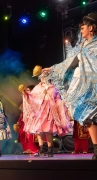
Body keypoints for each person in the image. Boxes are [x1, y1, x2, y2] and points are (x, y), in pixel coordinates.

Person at [41, 12, 97, 159]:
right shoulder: (81, 46)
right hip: (86, 87)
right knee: (88, 117)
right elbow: (69, 62)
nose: (81, 29)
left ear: (91, 28)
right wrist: (52, 69)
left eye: (83, 27)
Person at [19, 66, 72, 157]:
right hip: (40, 111)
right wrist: (25, 93)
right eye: (42, 77)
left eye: (45, 76)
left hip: (50, 111)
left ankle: (50, 149)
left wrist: (58, 104)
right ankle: (41, 149)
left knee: (48, 130)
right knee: (39, 130)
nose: (43, 78)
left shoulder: (53, 87)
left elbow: (58, 99)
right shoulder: (37, 88)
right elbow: (32, 97)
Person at [13, 85, 39, 155]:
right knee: (22, 135)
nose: (27, 91)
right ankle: (27, 149)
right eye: (26, 90)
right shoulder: (25, 102)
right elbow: (22, 113)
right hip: (25, 121)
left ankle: (34, 149)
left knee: (31, 135)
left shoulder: (35, 100)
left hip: (33, 120)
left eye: (28, 90)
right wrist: (18, 121)